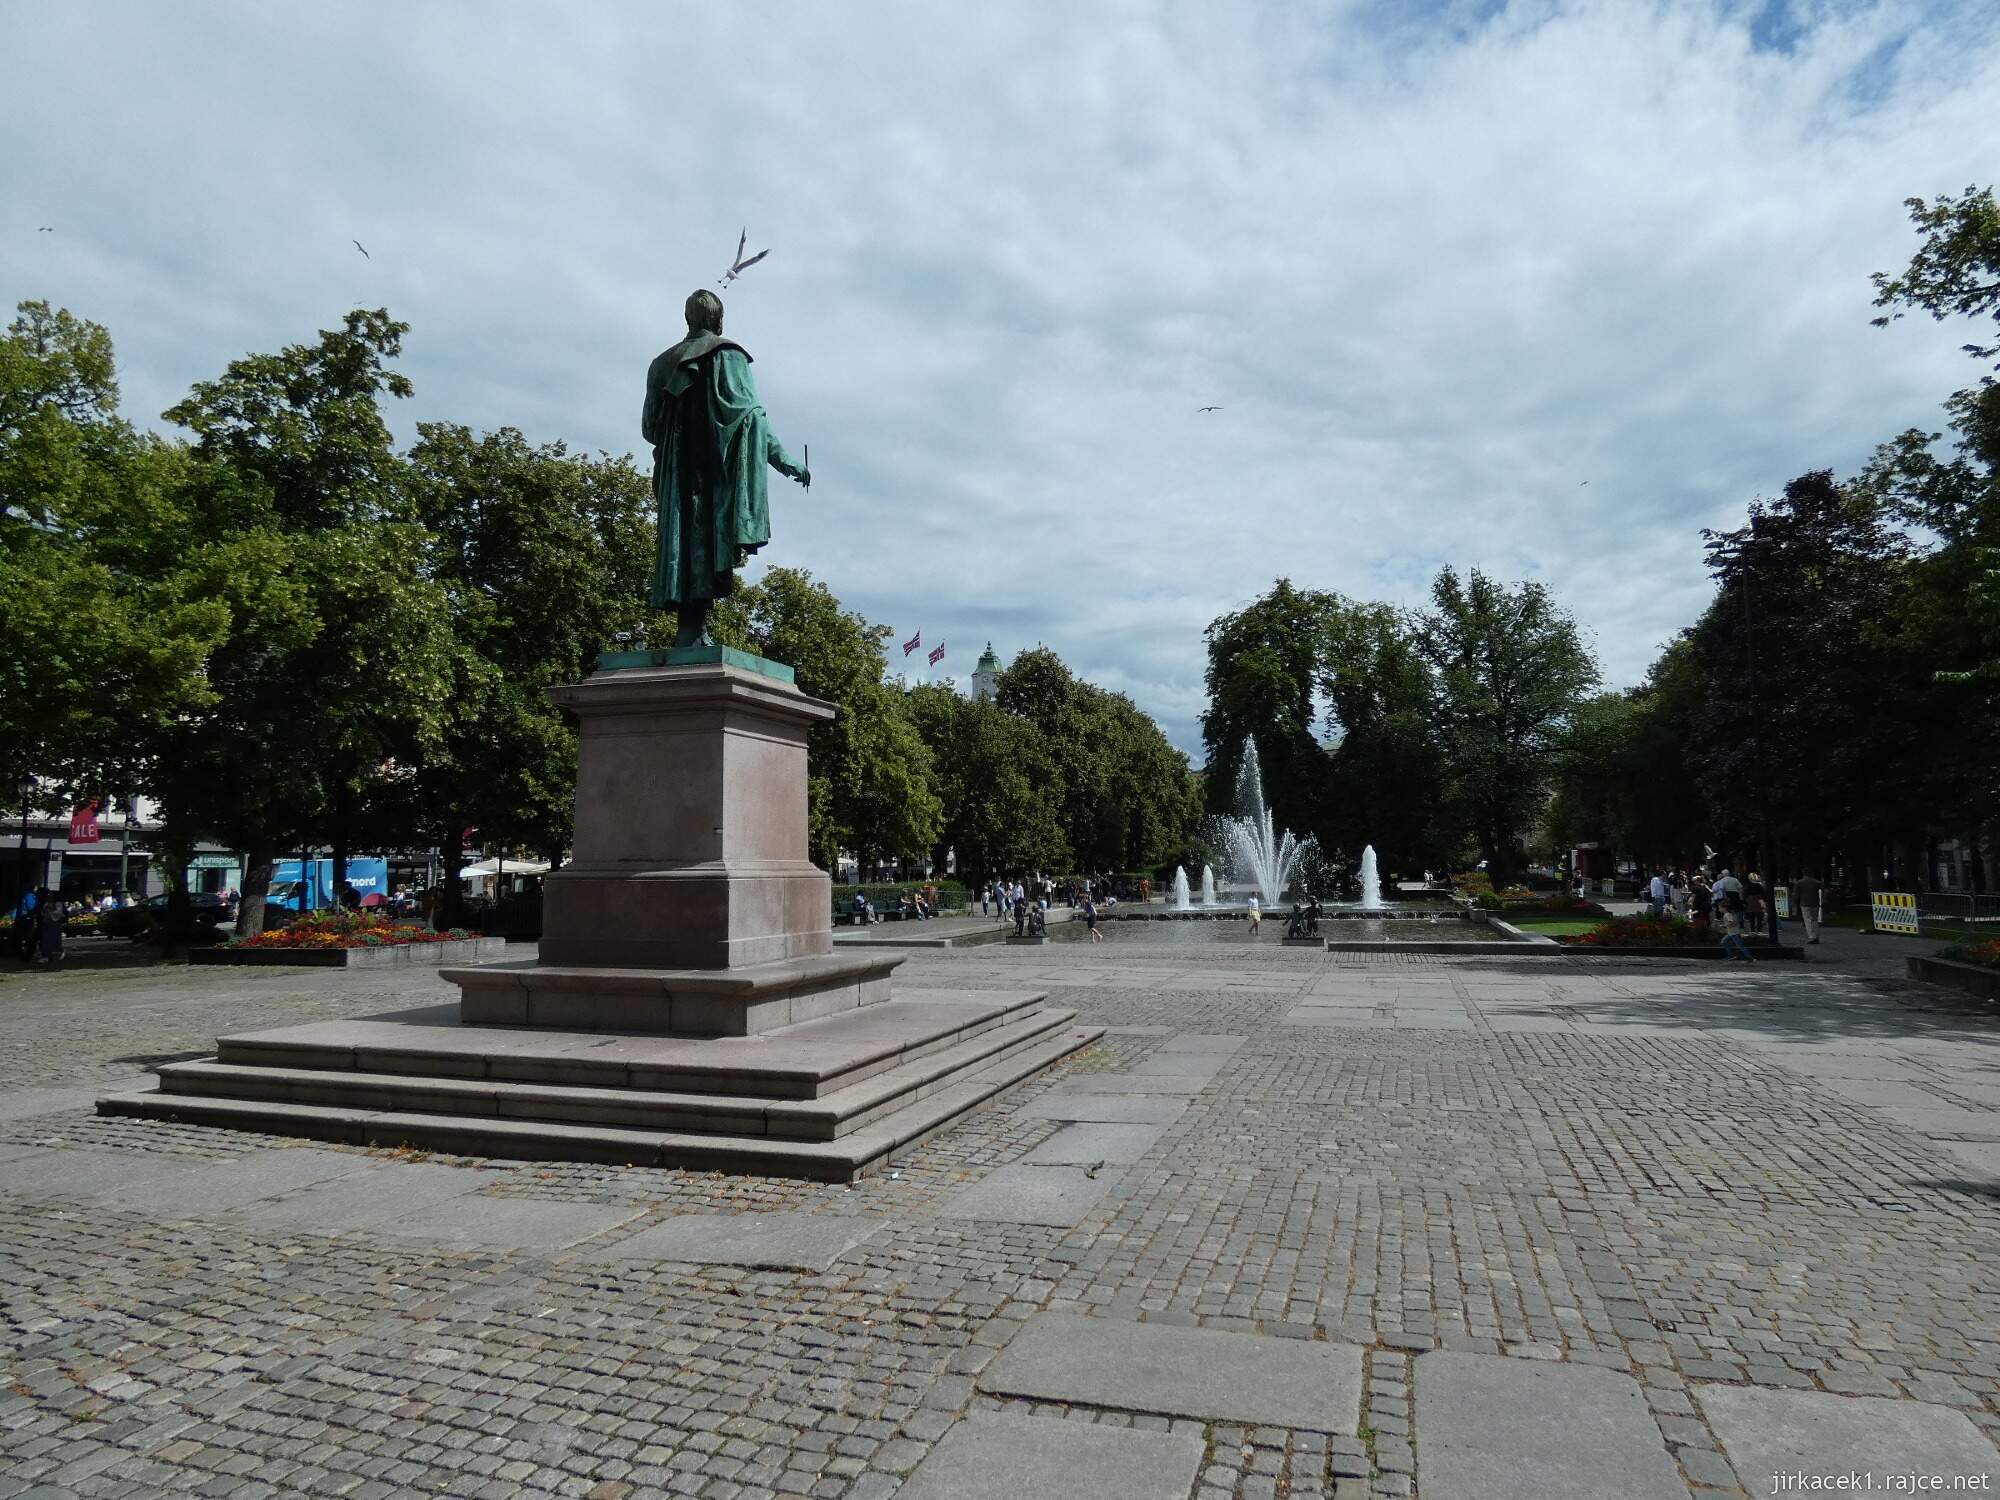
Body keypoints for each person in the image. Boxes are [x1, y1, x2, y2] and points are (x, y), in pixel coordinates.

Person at [644, 289, 811, 647]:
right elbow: (750, 418)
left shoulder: (660, 364)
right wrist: (785, 461)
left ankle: (689, 631)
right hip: (711, 474)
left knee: (682, 543)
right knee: (704, 541)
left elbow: (649, 427)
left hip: (676, 475)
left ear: (687, 318)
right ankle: (694, 632)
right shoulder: (727, 354)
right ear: (718, 320)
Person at [1717, 889, 1754, 962]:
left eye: (1719, 908)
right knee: (1723, 942)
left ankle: (1750, 958)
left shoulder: (1727, 914)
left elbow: (1732, 922)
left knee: (1740, 946)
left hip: (1734, 933)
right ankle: (1732, 955)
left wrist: (1724, 925)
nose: (1719, 909)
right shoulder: (1727, 914)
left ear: (1724, 908)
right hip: (1731, 933)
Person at [1793, 871, 1823, 945]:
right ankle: (1816, 936)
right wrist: (1823, 899)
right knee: (1815, 920)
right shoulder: (1817, 882)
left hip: (1805, 903)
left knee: (1808, 920)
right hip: (1815, 903)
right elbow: (1824, 890)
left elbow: (1796, 894)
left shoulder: (1800, 882)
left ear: (1803, 874)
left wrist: (1794, 903)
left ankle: (1812, 937)